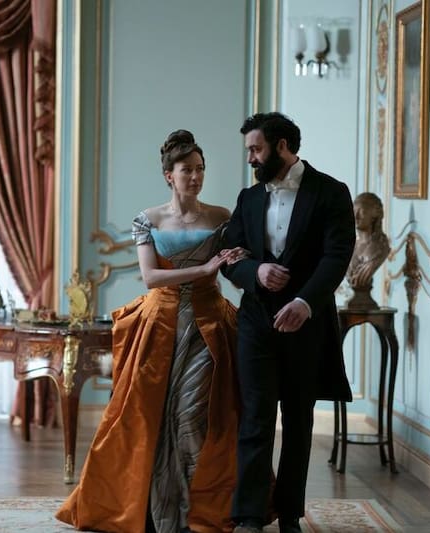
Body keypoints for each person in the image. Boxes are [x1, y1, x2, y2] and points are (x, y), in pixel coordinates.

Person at [56, 129, 247, 533]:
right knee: (150, 415)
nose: (195, 176)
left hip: (208, 324)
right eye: (187, 170)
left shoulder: (222, 217)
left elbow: (233, 265)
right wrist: (204, 268)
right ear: (168, 175)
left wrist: (239, 257)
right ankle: (158, 511)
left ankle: (196, 511)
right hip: (160, 325)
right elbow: (150, 277)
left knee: (194, 414)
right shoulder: (149, 219)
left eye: (200, 169)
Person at [221, 112, 356, 533]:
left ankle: (290, 516)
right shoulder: (248, 198)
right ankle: (249, 515)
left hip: (306, 324)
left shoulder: (331, 192)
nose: (250, 158)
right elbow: (230, 256)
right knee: (255, 418)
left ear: (281, 146)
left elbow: (337, 255)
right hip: (255, 322)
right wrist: (256, 271)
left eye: (256, 149)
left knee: (299, 422)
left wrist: (304, 302)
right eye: (249, 150)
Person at [344, 192, 390, 309]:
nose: (356, 216)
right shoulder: (351, 246)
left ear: (374, 215)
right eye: (354, 211)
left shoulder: (380, 247)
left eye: (362, 212)